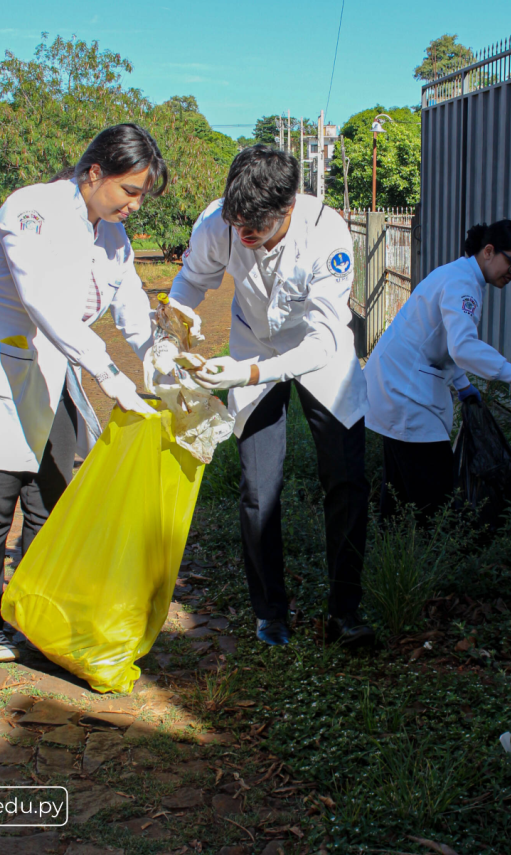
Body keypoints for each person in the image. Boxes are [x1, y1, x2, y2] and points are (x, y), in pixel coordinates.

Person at [0, 123, 166, 661]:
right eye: (131, 191)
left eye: (141, 195)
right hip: (0, 372)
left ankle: (31, 607)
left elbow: (133, 308)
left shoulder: (113, 235)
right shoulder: (31, 212)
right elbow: (45, 303)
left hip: (54, 374)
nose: (135, 205)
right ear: (95, 173)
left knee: (52, 499)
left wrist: (162, 365)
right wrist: (112, 378)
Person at [168, 145, 371, 647]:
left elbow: (323, 343)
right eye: (237, 223)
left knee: (346, 481)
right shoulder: (219, 221)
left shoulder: (328, 234)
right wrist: (170, 333)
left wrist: (248, 373)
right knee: (259, 489)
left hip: (319, 351)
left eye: (255, 227)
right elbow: (192, 281)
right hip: (253, 339)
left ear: (290, 206)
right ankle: (270, 611)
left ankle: (344, 612)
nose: (244, 236)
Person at [363, 219, 511, 519]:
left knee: (400, 490)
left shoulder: (458, 275)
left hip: (396, 383)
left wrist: (462, 384)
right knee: (436, 500)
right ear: (489, 251)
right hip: (405, 393)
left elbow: (440, 342)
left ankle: (393, 554)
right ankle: (430, 559)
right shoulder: (463, 284)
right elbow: (462, 347)